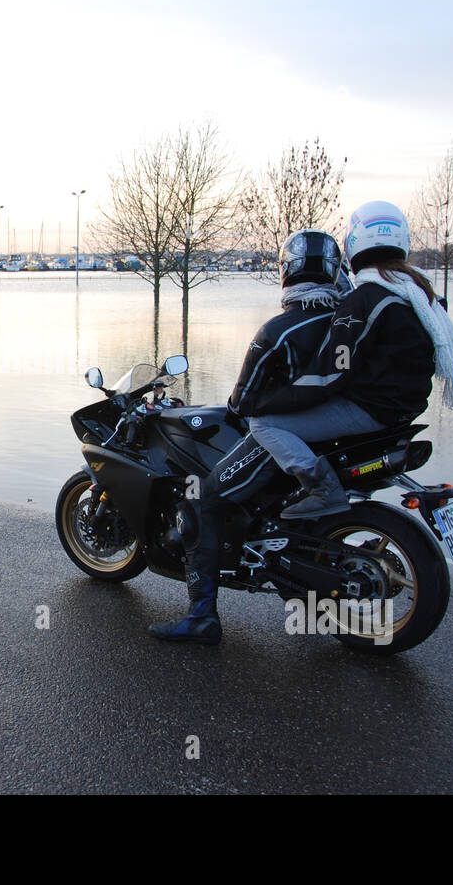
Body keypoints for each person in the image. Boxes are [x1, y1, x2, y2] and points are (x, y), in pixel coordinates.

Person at [149, 229, 350, 644]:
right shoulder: (348, 321)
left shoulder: (277, 332)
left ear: (288, 270)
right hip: (336, 434)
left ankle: (202, 616)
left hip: (278, 437)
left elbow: (240, 403)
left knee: (202, 502)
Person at [250, 200, 453, 520]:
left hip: (370, 409)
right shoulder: (417, 294)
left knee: (263, 424)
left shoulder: (365, 300)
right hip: (404, 408)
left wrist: (269, 400)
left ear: (354, 243)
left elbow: (333, 372)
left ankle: (323, 490)